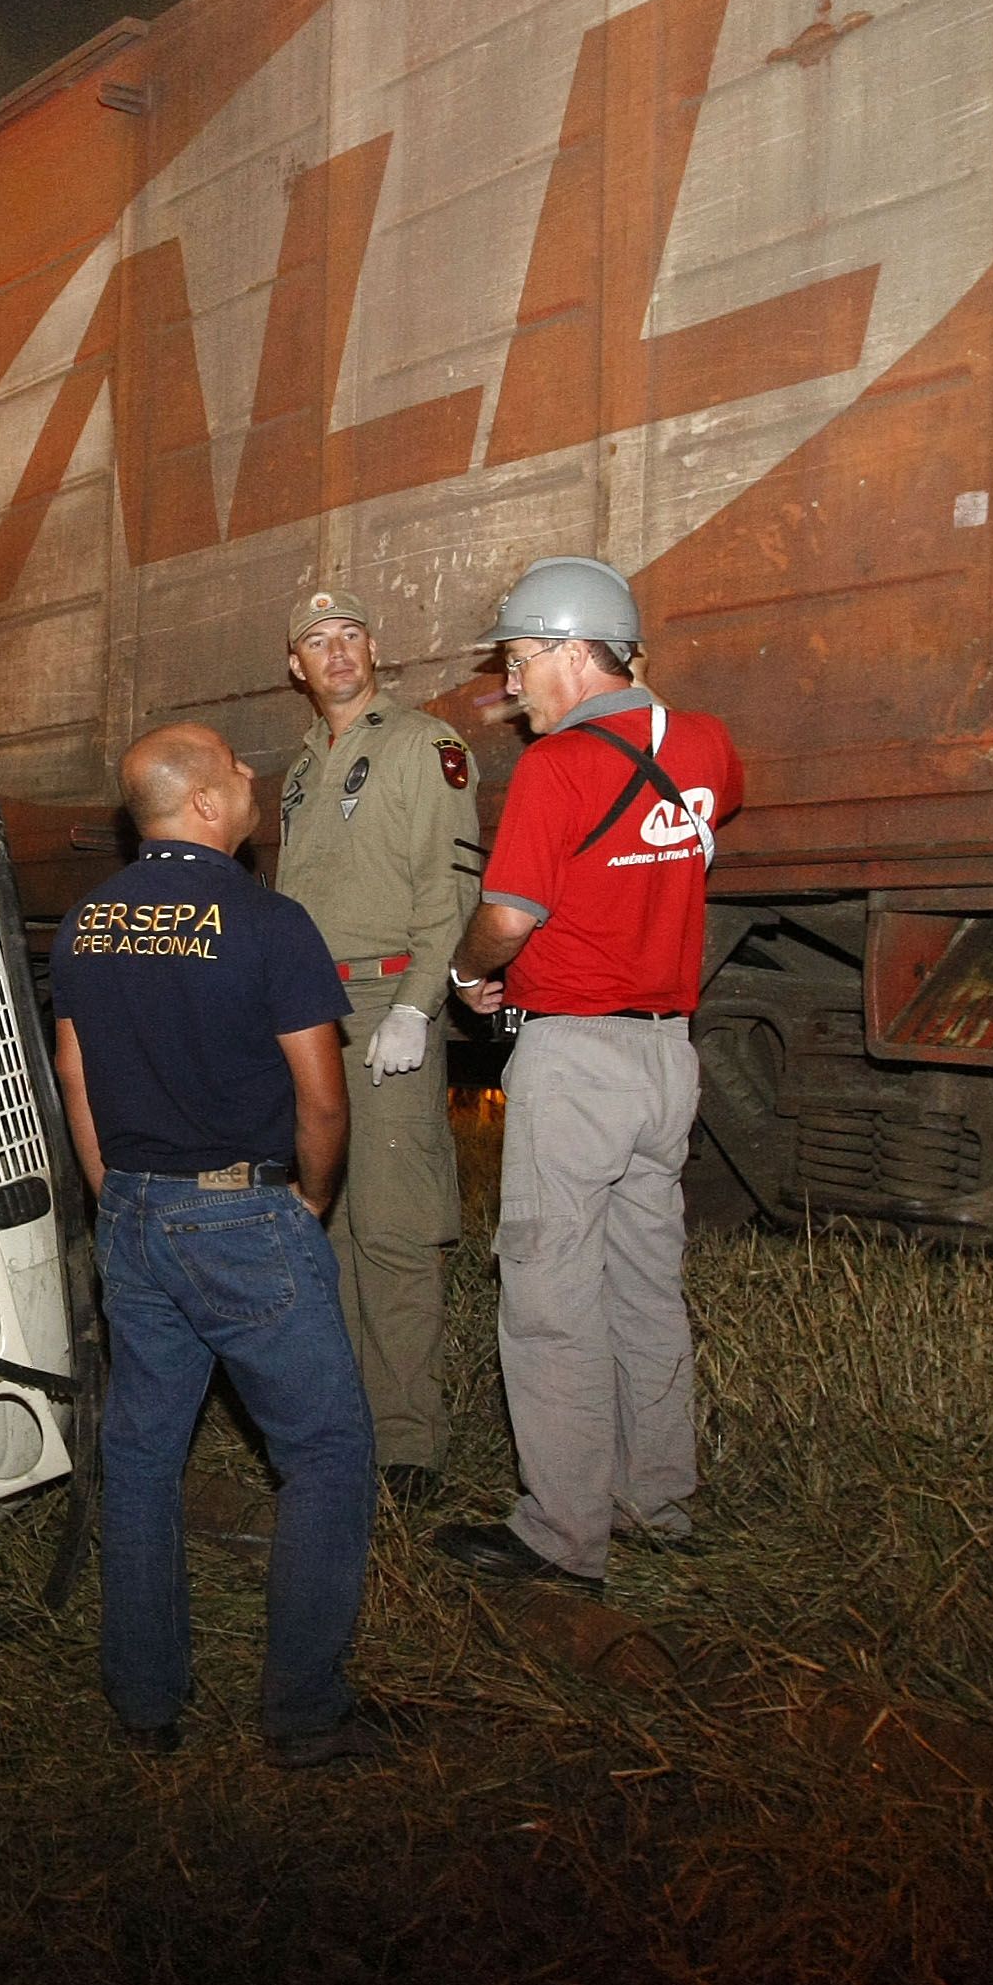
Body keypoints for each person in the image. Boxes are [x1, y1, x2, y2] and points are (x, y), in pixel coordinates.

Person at [49, 722, 411, 1767]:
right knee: (329, 1452)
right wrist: (309, 1198)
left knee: (145, 1456)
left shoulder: (86, 925)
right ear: (206, 804)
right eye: (239, 769)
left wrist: (114, 1190)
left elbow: (75, 1078)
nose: (254, 776)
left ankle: (146, 1704)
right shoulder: (269, 923)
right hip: (246, 1220)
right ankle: (305, 1713)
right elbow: (323, 1098)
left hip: (137, 1219)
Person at [434, 557, 742, 1595]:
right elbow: (697, 821)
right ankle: (658, 1502)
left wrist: (471, 972)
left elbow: (511, 916)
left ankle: (562, 1535)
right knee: (647, 1287)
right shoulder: (706, 746)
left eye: (523, 662)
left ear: (575, 651)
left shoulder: (556, 771)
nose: (513, 688)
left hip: (577, 1056)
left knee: (551, 1289)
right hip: (667, 1057)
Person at [272, 584, 483, 1507]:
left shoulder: (422, 746)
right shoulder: (301, 765)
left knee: (393, 1229)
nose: (338, 651)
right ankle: (352, 1430)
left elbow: (450, 888)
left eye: (351, 634)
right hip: (313, 1014)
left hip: (387, 1004)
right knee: (334, 1225)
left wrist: (418, 1006)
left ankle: (409, 1450)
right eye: (318, 640)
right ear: (297, 667)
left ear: (373, 649)